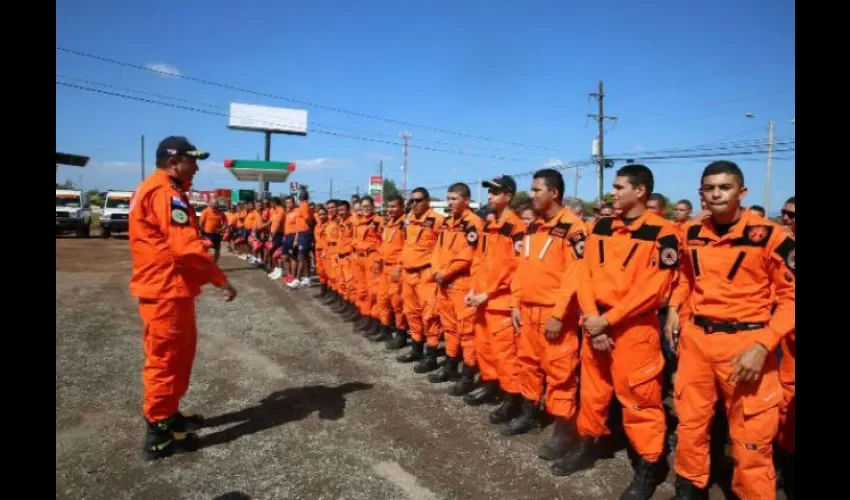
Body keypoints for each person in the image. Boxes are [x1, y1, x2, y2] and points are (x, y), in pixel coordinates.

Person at [666, 161, 794, 499]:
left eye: (724, 187)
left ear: (742, 192)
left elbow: (792, 298)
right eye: (710, 188)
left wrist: (764, 344)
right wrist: (674, 310)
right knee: (691, 424)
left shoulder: (770, 236)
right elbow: (683, 278)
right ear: (701, 194)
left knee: (751, 437)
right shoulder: (692, 232)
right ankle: (690, 487)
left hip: (747, 346)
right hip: (697, 343)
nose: (716, 194)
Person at [554, 164, 678, 500]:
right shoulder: (603, 225)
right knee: (592, 394)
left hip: (634, 330)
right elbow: (584, 273)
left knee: (640, 401)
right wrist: (594, 319)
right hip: (596, 324)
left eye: (620, 187)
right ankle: (590, 443)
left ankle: (649, 465)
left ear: (640, 191)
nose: (613, 192)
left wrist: (608, 321)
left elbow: (655, 289)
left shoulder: (664, 233)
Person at [129, 136, 237, 461]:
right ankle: (158, 434)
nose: (197, 166)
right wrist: (220, 279)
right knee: (165, 361)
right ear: (174, 161)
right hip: (165, 290)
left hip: (171, 289)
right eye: (192, 159)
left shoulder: (163, 189)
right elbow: (185, 246)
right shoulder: (164, 192)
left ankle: (169, 413)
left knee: (179, 356)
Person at [501, 169, 588, 464]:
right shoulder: (533, 228)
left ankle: (564, 431)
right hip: (527, 310)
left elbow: (575, 276)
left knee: (560, 371)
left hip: (554, 315)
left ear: (554, 193)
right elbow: (521, 269)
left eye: (537, 190)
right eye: (532, 189)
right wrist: (515, 304)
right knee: (527, 364)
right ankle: (529, 414)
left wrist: (558, 313)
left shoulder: (574, 228)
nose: (532, 194)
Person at [463, 176, 525, 411]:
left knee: (504, 353)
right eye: (489, 192)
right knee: (484, 347)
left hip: (499, 301)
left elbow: (514, 267)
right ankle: (490, 385)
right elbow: (479, 258)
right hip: (482, 298)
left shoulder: (515, 226)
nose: (489, 196)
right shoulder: (489, 223)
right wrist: (473, 287)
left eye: (495, 192)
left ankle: (511, 397)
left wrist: (487, 293)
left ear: (508, 196)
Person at [427, 183, 484, 396]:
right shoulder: (447, 223)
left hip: (461, 285)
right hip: (443, 283)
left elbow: (467, 255)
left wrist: (446, 273)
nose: (450, 202)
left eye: (454, 199)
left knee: (466, 332)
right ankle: (450, 366)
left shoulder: (474, 223)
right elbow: (437, 250)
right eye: (448, 198)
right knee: (449, 328)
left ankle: (468, 375)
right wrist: (435, 270)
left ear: (466, 200)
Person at [397, 188, 444, 369]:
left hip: (426, 274)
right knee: (412, 313)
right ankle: (416, 349)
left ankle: (431, 356)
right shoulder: (409, 220)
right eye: (412, 201)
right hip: (409, 273)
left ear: (427, 201)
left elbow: (443, 249)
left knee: (430, 315)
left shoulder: (438, 221)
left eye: (418, 200)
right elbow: (406, 246)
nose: (414, 204)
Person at [374, 195, 409, 348]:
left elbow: (407, 248)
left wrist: (399, 268)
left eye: (394, 206)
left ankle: (401, 334)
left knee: (397, 303)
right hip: (384, 268)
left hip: (396, 269)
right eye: (388, 207)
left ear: (401, 207)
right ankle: (385, 329)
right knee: (382, 299)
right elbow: (384, 246)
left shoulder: (405, 224)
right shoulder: (389, 224)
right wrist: (378, 260)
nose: (390, 209)